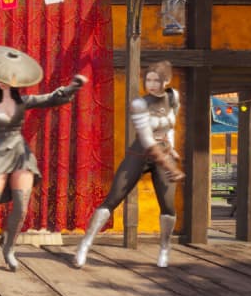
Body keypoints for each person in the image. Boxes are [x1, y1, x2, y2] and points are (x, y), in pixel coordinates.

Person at [0, 45, 86, 271]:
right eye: (0, 76)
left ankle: (9, 249)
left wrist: (73, 87)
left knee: (21, 207)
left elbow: (51, 98)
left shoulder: (23, 101)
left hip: (21, 155)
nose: (3, 81)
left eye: (9, 77)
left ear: (16, 80)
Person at [75, 59, 185, 269]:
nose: (151, 84)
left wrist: (171, 147)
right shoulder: (139, 104)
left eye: (156, 80)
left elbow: (171, 123)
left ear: (166, 81)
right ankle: (85, 244)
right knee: (113, 199)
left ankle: (165, 248)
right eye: (148, 80)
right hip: (140, 154)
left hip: (164, 153)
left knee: (168, 205)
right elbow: (148, 141)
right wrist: (171, 167)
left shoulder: (173, 97)